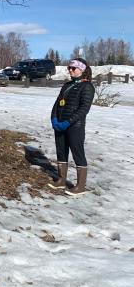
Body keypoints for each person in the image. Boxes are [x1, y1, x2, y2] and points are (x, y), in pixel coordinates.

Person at [49, 58, 95, 196]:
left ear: (82, 70)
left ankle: (80, 186)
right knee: (61, 151)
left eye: (73, 68)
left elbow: (84, 109)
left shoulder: (87, 87)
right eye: (69, 68)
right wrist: (54, 119)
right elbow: (57, 104)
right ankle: (61, 180)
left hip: (75, 127)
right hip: (60, 125)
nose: (70, 70)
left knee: (77, 154)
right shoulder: (66, 85)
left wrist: (68, 122)